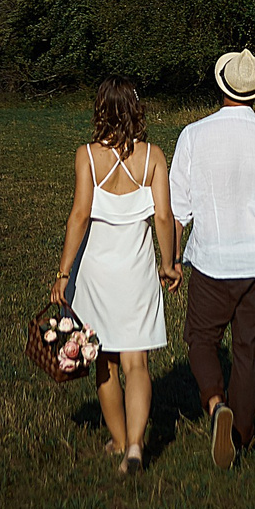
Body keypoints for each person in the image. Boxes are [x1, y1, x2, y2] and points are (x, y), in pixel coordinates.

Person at [168, 48, 255, 468]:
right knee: (249, 352)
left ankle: (215, 405)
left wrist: (172, 260)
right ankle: (243, 433)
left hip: (211, 260)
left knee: (200, 340)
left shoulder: (194, 135)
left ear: (222, 84)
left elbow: (178, 210)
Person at [49, 78, 180, 475]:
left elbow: (79, 215)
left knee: (103, 362)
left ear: (100, 109)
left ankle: (120, 439)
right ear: (136, 110)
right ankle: (137, 447)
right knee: (136, 364)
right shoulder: (154, 156)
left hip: (96, 272)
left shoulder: (87, 156)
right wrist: (168, 263)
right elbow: (162, 216)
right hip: (137, 270)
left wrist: (62, 272)